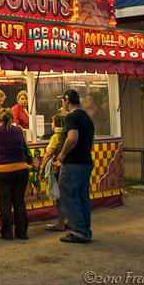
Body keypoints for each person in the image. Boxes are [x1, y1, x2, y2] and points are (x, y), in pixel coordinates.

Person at [56, 89, 94, 244]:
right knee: (82, 196)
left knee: (68, 195)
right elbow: (90, 141)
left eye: (63, 101)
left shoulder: (71, 117)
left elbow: (72, 138)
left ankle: (79, 231)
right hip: (86, 162)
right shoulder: (86, 117)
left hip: (73, 163)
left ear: (67, 100)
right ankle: (85, 229)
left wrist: (62, 155)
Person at [0, 107, 30, 240]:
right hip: (21, 168)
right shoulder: (18, 130)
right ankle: (22, 232)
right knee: (19, 201)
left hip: (2, 170)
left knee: (5, 202)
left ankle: (6, 233)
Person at [41, 113, 68, 231]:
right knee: (68, 195)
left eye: (52, 122)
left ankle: (60, 223)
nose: (51, 125)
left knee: (59, 196)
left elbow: (49, 153)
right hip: (68, 168)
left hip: (58, 169)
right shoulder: (67, 135)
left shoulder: (55, 138)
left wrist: (42, 169)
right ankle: (70, 221)